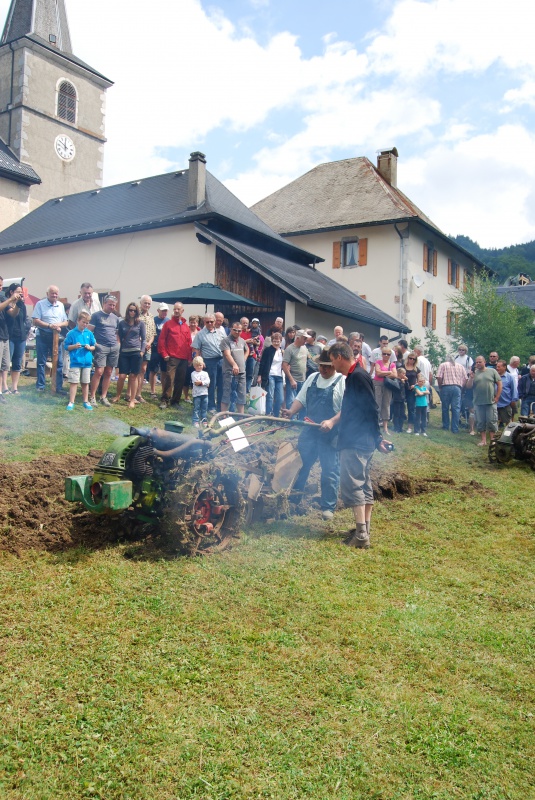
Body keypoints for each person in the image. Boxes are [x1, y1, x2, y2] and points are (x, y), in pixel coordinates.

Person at [329, 342, 391, 549]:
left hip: (357, 441)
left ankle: (362, 535)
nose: (331, 364)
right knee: (364, 484)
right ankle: (363, 528)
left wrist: (377, 437)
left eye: (331, 359)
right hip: (361, 439)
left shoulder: (358, 376)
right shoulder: (356, 375)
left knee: (354, 484)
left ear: (339, 357)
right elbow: (354, 408)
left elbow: (372, 408)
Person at [282, 348, 345, 520]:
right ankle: (295, 498)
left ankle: (328, 507)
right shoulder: (312, 378)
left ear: (334, 365)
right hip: (310, 430)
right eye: (321, 366)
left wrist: (331, 421)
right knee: (301, 464)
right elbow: (301, 400)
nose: (324, 370)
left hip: (331, 433)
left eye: (328, 366)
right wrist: (291, 412)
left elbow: (346, 410)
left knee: (330, 469)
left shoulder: (342, 381)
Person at [32, 285, 69, 395]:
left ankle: (58, 387)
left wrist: (58, 325)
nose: (54, 295)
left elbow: (66, 322)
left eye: (56, 293)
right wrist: (49, 326)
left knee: (59, 363)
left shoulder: (60, 305)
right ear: (47, 293)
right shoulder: (40, 304)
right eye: (52, 293)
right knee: (41, 362)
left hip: (56, 336)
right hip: (43, 336)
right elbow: (35, 320)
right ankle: (40, 386)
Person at [158, 302, 192, 409]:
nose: (176, 311)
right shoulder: (168, 324)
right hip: (172, 357)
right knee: (169, 378)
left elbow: (189, 343)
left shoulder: (186, 326)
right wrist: (164, 354)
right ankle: (164, 400)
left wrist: (190, 358)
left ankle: (176, 401)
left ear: (182, 311)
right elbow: (162, 340)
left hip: (184, 358)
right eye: (175, 309)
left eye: (178, 309)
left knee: (180, 380)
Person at [113, 302, 147, 409]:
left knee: (133, 376)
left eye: (134, 310)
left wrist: (142, 351)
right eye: (130, 310)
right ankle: (118, 395)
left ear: (137, 312)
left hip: (136, 352)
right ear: (127, 311)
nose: (132, 312)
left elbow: (144, 339)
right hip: (124, 352)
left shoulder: (140, 324)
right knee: (122, 376)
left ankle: (132, 399)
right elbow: (119, 336)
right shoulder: (122, 323)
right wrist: (119, 349)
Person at [89, 295, 120, 407]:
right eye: (110, 304)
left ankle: (103, 396)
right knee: (99, 372)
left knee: (108, 372)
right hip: (101, 347)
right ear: (104, 304)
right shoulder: (96, 316)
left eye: (114, 305)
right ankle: (92, 396)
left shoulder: (115, 318)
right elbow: (89, 332)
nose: (112, 307)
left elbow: (117, 333)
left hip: (113, 347)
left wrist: (118, 344)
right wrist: (96, 345)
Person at [192, 313, 226, 414]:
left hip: (221, 360)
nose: (210, 323)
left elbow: (226, 345)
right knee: (211, 385)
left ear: (215, 321)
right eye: (208, 322)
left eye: (212, 321)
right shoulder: (200, 334)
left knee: (222, 384)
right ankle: (211, 407)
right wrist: (200, 361)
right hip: (209, 361)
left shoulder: (221, 332)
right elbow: (195, 349)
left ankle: (221, 407)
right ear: (204, 322)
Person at [466, 356, 502, 447]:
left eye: (480, 362)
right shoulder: (474, 373)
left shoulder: (492, 371)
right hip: (478, 401)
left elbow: (499, 384)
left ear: (484, 362)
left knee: (491, 421)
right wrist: (471, 378)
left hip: (490, 401)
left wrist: (497, 397)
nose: (478, 364)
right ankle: (483, 440)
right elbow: (468, 387)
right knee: (481, 421)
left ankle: (493, 440)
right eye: (476, 362)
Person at [64, 311, 96, 410]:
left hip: (87, 363)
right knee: (74, 382)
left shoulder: (89, 333)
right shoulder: (71, 333)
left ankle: (85, 401)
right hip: (75, 362)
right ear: (78, 321)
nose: (85, 325)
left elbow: (94, 346)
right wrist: (74, 346)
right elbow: (66, 346)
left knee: (85, 382)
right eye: (83, 322)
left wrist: (89, 348)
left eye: (87, 323)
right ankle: (71, 401)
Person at [0, 285, 24, 402]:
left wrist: (18, 305)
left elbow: (13, 314)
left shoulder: (2, 298)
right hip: (2, 336)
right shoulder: (5, 299)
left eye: (1, 285)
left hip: (5, 335)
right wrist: (10, 299)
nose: (1, 287)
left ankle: (1, 392)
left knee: (4, 366)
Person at [220, 321, 248, 414]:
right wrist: (234, 365)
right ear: (231, 329)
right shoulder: (226, 340)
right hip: (229, 372)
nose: (237, 332)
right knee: (227, 394)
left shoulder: (242, 340)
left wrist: (243, 359)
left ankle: (241, 417)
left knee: (241, 395)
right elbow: (227, 354)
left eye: (239, 330)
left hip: (242, 372)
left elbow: (247, 350)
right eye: (235, 330)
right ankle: (223, 416)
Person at [436, 354, 467, 433]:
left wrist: (440, 386)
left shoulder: (443, 365)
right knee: (456, 408)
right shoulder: (460, 366)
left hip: (446, 387)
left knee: (445, 408)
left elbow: (439, 377)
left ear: (447, 359)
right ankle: (455, 428)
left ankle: (446, 426)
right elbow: (465, 378)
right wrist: (461, 387)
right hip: (457, 387)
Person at [257, 331, 284, 416]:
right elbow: (262, 363)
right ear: (272, 341)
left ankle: (276, 415)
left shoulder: (282, 352)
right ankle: (268, 414)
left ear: (281, 341)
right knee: (270, 396)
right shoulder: (268, 350)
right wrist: (259, 375)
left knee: (280, 398)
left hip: (279, 376)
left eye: (278, 341)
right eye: (274, 341)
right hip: (270, 375)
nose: (276, 343)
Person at [282, 329, 308, 413]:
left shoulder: (304, 348)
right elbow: (284, 365)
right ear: (298, 338)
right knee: (291, 401)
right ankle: (291, 422)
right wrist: (291, 379)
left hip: (303, 380)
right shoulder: (289, 349)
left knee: (303, 401)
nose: (306, 340)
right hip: (293, 380)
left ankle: (300, 422)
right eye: (304, 338)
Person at [373, 346, 397, 435]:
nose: (386, 355)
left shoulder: (392, 364)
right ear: (381, 354)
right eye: (384, 354)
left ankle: (385, 428)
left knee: (386, 405)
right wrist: (389, 372)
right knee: (377, 404)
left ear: (390, 355)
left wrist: (384, 374)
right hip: (378, 385)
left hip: (388, 386)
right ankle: (375, 426)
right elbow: (378, 373)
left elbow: (395, 375)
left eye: (388, 354)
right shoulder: (378, 362)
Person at [136, 295, 156, 404]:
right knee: (134, 369)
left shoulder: (151, 316)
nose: (147, 305)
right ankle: (131, 393)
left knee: (143, 370)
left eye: (149, 303)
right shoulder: (135, 314)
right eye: (145, 303)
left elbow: (153, 333)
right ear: (141, 303)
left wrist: (148, 343)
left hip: (148, 347)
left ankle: (139, 394)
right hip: (137, 346)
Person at [147, 303, 168, 399]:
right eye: (162, 310)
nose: (164, 312)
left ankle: (164, 391)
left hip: (165, 349)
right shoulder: (153, 320)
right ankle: (153, 391)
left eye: (165, 310)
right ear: (158, 310)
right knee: (153, 370)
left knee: (164, 371)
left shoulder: (169, 321)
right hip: (154, 347)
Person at [183, 314, 201, 403]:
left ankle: (196, 395)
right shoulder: (186, 331)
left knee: (196, 378)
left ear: (197, 323)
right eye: (191, 322)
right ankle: (186, 396)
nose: (193, 324)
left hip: (197, 359)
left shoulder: (200, 332)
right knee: (186, 377)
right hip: (187, 358)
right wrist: (189, 359)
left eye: (194, 322)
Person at [495, 360, 518, 428]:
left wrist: (513, 400)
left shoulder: (510, 377)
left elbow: (514, 389)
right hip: (495, 402)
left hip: (505, 403)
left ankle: (509, 434)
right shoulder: (494, 376)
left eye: (499, 367)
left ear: (504, 367)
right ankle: (494, 434)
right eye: (497, 366)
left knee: (508, 421)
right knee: (494, 420)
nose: (497, 368)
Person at [190, 355, 210, 427]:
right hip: (197, 394)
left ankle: (204, 420)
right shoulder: (193, 374)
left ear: (203, 365)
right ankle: (195, 421)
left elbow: (208, 381)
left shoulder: (205, 373)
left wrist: (202, 383)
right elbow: (196, 382)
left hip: (205, 393)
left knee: (204, 408)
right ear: (194, 366)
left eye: (200, 365)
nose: (199, 367)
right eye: (197, 365)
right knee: (196, 408)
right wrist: (204, 383)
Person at [392, 367, 407, 432]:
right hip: (396, 399)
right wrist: (401, 383)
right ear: (399, 373)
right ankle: (396, 427)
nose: (404, 375)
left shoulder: (403, 380)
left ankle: (401, 427)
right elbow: (397, 388)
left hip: (402, 399)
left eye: (405, 373)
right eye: (403, 373)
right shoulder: (396, 380)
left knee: (402, 413)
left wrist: (406, 382)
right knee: (396, 414)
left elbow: (407, 388)